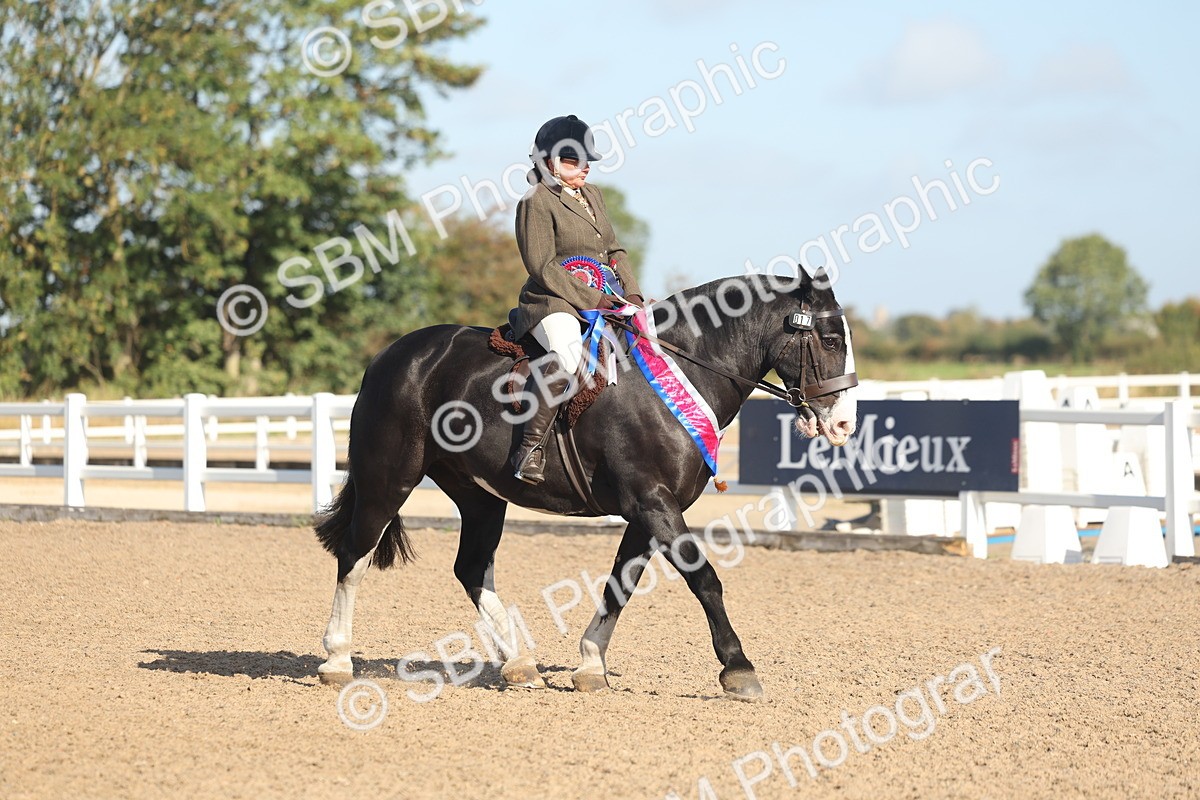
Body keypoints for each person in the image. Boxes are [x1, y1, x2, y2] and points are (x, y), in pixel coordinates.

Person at [509, 114, 644, 484]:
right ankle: (530, 450)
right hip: (552, 301)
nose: (583, 169)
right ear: (547, 162)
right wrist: (594, 299)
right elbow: (541, 265)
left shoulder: (592, 195)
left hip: (606, 296)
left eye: (586, 161)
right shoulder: (535, 201)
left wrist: (631, 292)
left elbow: (614, 249)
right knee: (567, 358)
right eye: (572, 161)